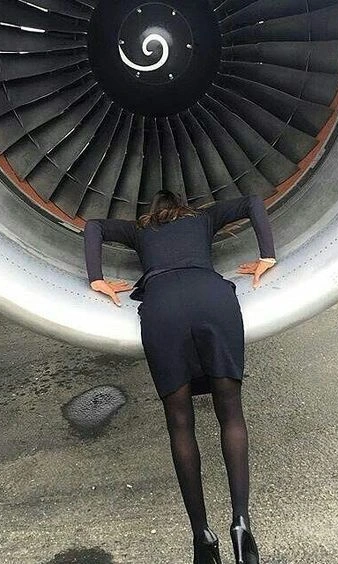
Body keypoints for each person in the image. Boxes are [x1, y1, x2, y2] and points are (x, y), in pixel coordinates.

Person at [83, 190, 277, 564]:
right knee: (231, 415)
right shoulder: (203, 218)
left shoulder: (140, 230)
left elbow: (93, 226)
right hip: (212, 299)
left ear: (151, 213)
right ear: (183, 207)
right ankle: (241, 524)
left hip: (163, 307)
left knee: (180, 425)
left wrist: (97, 279)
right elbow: (253, 201)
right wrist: (267, 256)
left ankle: (202, 536)